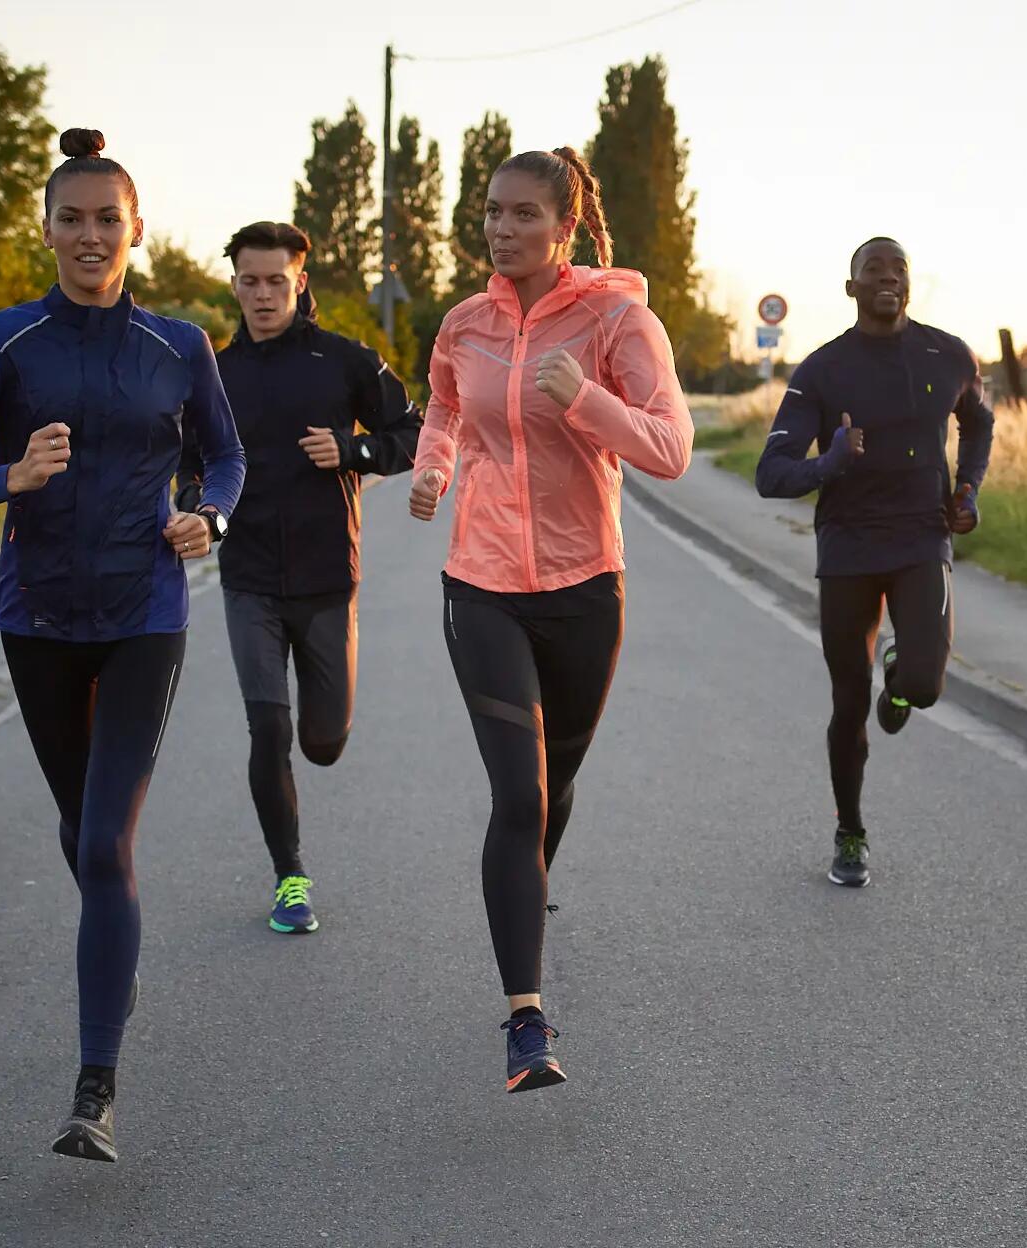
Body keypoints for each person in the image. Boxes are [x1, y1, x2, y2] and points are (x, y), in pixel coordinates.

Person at [0, 128, 245, 1163]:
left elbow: (225, 458)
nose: (90, 235)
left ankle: (94, 1085)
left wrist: (210, 518)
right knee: (82, 833)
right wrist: (7, 477)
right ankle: (119, 943)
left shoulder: (179, 347)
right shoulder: (3, 342)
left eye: (109, 219)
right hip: (40, 618)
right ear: (46, 228)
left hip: (148, 610)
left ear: (135, 229)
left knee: (105, 845)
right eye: (72, 218)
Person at [409, 147, 693, 1092]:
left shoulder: (617, 317)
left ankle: (522, 891)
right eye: (492, 212)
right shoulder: (466, 323)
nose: (502, 229)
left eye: (525, 214)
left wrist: (588, 398)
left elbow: (669, 449)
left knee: (552, 790)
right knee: (519, 797)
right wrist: (433, 467)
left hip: (583, 589)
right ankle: (525, 1020)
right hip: (481, 582)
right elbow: (446, 410)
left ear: (565, 227)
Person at [174, 221, 421, 934]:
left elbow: (413, 432)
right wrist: (197, 507)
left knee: (323, 741)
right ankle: (291, 878)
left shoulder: (346, 362)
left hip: (326, 580)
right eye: (248, 281)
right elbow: (187, 466)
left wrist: (354, 448)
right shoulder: (214, 373)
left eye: (274, 281)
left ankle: (324, 738)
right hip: (248, 578)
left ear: (300, 282)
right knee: (267, 730)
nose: (261, 294)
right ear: (234, 285)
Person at [755, 237, 993, 889]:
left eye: (899, 270)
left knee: (925, 683)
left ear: (910, 286)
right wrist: (830, 462)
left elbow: (979, 423)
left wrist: (968, 488)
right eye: (873, 271)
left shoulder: (948, 355)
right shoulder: (822, 370)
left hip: (922, 537)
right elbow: (770, 474)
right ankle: (850, 832)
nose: (888, 279)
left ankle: (902, 679)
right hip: (850, 547)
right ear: (851, 287)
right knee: (847, 700)